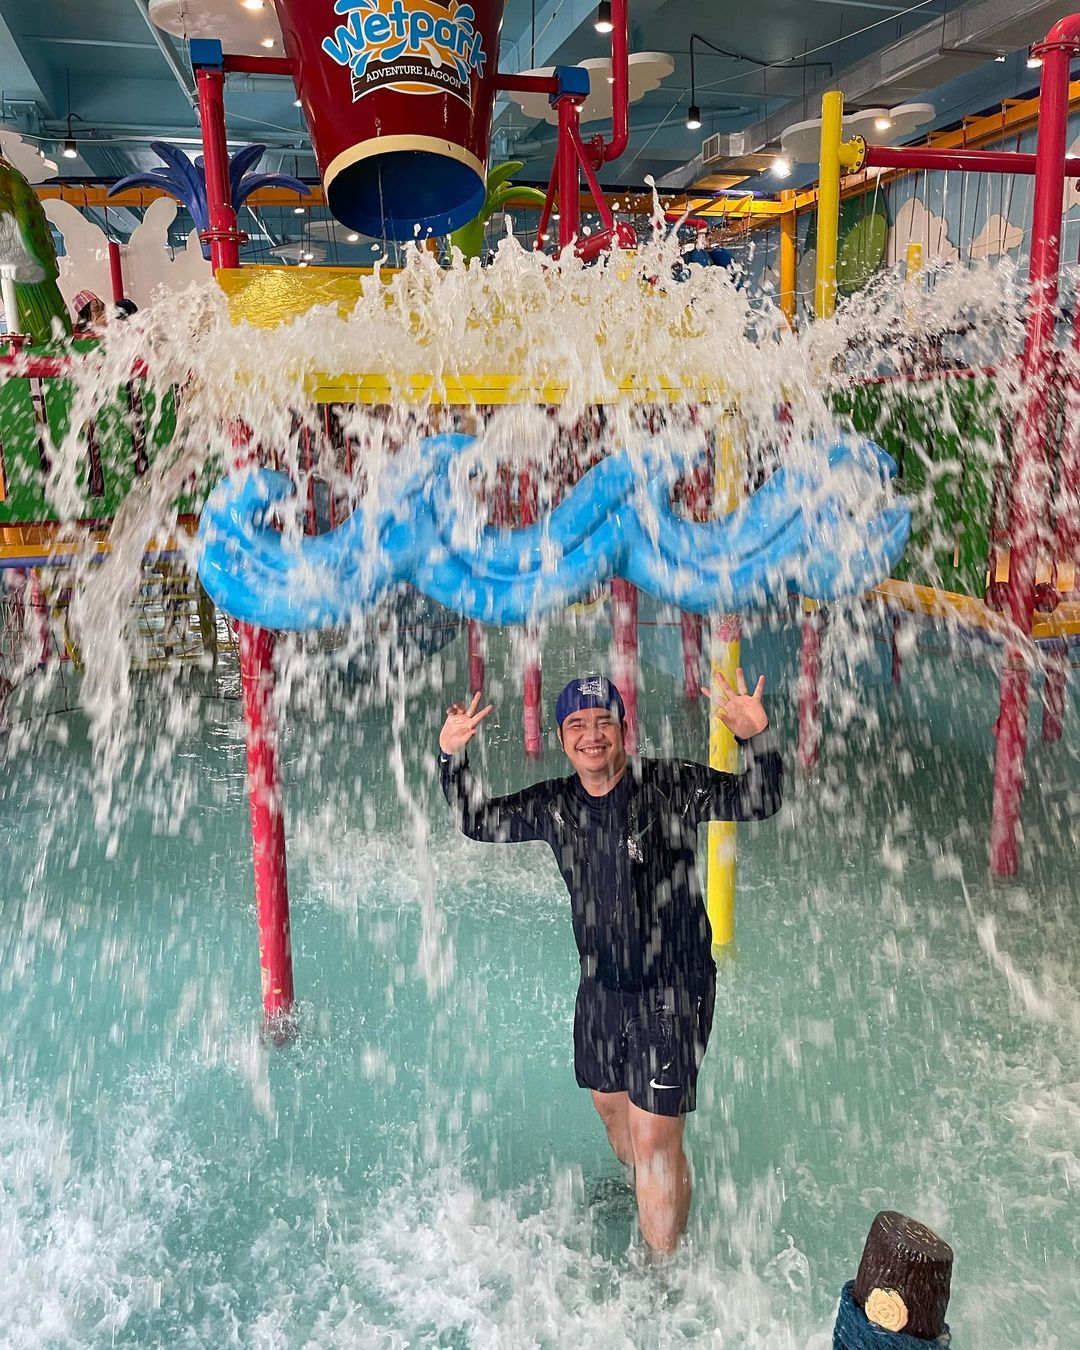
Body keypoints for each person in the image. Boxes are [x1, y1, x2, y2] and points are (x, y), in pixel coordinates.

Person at [439, 670, 783, 1252]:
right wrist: (452, 757)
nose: (592, 735)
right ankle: (662, 1182)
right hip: (601, 988)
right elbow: (477, 820)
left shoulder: (670, 784)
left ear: (624, 729)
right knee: (619, 1125)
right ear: (562, 738)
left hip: (674, 986)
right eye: (578, 725)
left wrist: (759, 739)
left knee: (651, 1144)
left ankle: (661, 1279)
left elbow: (759, 798)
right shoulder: (555, 805)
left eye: (604, 722)